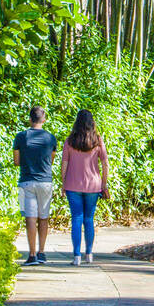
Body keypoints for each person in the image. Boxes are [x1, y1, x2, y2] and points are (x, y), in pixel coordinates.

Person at [61, 109, 108, 266]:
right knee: (89, 219)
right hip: (93, 186)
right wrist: (104, 184)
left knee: (76, 219)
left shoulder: (70, 141)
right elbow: (105, 164)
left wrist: (63, 182)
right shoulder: (97, 140)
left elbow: (64, 164)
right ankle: (89, 254)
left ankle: (76, 256)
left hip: (73, 185)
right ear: (92, 122)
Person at [13, 105, 58, 266]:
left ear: (30, 119)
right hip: (45, 181)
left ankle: (31, 255)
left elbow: (16, 161)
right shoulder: (50, 138)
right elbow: (51, 160)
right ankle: (42, 253)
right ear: (43, 120)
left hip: (27, 181)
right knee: (44, 217)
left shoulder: (21, 137)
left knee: (30, 218)